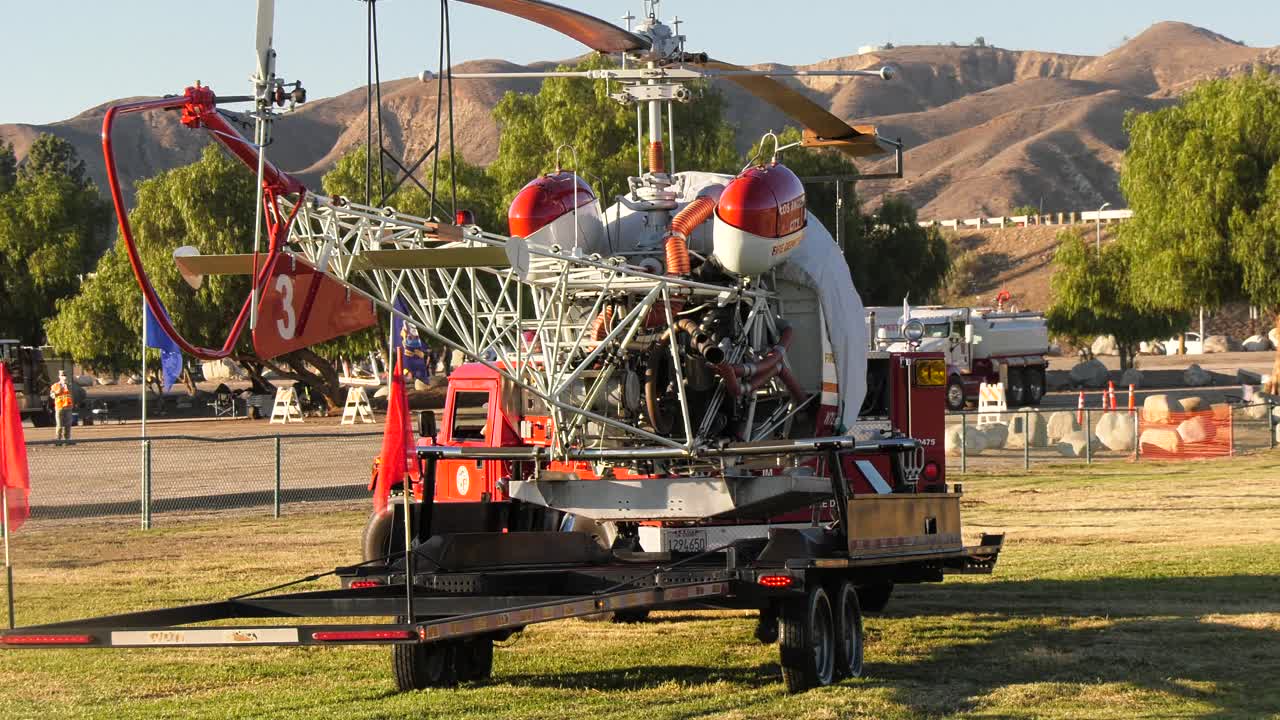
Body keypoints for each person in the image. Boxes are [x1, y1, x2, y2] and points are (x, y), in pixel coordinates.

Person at [50, 370, 74, 445]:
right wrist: (58, 392)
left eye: (65, 376)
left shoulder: (69, 385)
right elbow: (52, 396)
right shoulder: (55, 385)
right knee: (59, 425)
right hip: (59, 407)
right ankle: (58, 440)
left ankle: (67, 440)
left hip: (68, 407)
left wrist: (66, 386)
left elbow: (71, 394)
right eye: (62, 376)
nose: (64, 377)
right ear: (59, 377)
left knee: (68, 425)